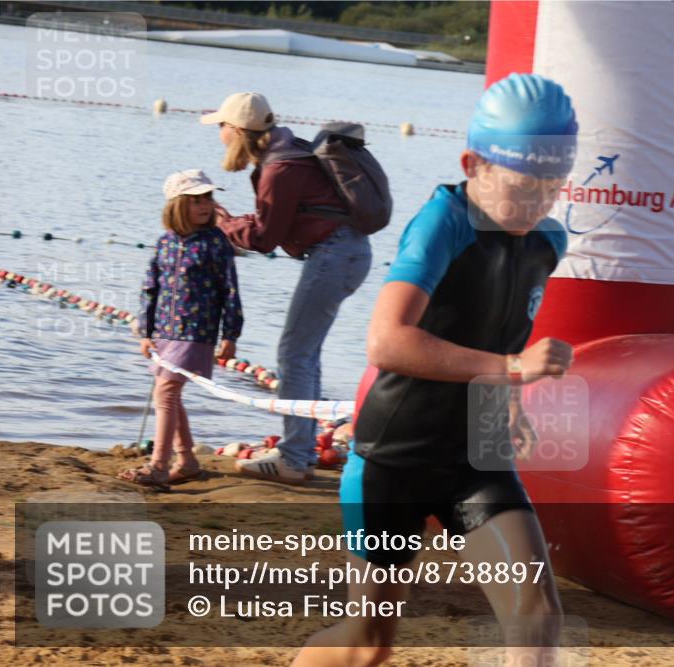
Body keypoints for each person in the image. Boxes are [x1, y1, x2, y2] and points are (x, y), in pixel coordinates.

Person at [290, 73, 577, 667]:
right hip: (394, 458)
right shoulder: (442, 222)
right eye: (525, 186)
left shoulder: (548, 240)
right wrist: (513, 367)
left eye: (553, 187)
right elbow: (387, 343)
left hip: (477, 458)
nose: (541, 202)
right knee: (369, 648)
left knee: (538, 619)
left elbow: (497, 328)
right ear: (473, 164)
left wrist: (512, 395)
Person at [202, 92, 373, 485]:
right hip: (345, 252)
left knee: (294, 352)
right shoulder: (288, 152)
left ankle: (294, 458)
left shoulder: (280, 168)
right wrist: (234, 222)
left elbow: (264, 237)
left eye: (222, 127)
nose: (220, 134)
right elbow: (275, 221)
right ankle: (300, 450)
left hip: (333, 255)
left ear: (239, 130)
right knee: (304, 352)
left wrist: (224, 225)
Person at [119, 169, 243, 490]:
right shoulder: (164, 243)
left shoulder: (216, 243)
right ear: (177, 205)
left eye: (208, 198)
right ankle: (186, 460)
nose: (205, 205)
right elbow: (150, 288)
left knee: (167, 392)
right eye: (196, 200)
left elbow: (229, 290)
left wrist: (230, 335)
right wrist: (146, 332)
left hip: (196, 332)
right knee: (169, 395)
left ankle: (159, 466)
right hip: (163, 332)